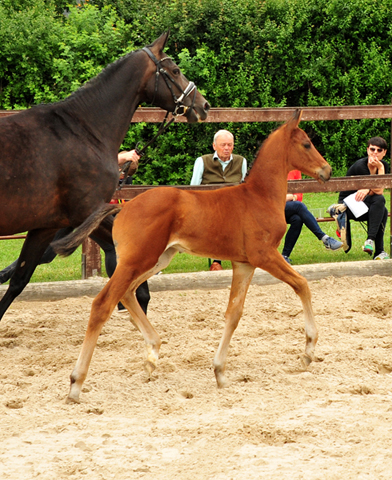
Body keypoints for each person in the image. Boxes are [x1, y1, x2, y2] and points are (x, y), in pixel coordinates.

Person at [0, 150, 151, 313]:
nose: (119, 174)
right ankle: (122, 299)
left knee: (48, 253)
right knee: (52, 253)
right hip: (83, 212)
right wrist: (121, 158)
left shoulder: (118, 178)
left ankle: (2, 275)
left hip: (79, 212)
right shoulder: (104, 172)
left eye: (121, 172)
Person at [190, 129, 247, 271]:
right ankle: (217, 260)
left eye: (230, 145)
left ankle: (248, 255)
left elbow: (245, 188)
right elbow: (193, 189)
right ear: (214, 146)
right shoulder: (202, 161)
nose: (227, 148)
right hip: (208, 205)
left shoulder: (241, 161)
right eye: (223, 145)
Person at [328, 136, 390, 260]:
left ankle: (374, 246)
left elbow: (378, 191)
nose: (375, 153)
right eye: (372, 149)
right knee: (380, 204)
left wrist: (379, 171)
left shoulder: (384, 166)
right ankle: (377, 249)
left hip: (367, 203)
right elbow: (378, 191)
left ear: (384, 152)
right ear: (367, 150)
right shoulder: (360, 166)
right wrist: (370, 189)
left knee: (382, 208)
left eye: (379, 150)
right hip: (348, 205)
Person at [282, 170, 343, 264]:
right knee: (299, 206)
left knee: (297, 219)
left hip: (287, 206)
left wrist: (291, 197)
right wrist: (290, 197)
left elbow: (299, 195)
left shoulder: (295, 170)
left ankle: (284, 256)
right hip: (271, 206)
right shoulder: (273, 166)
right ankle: (324, 238)